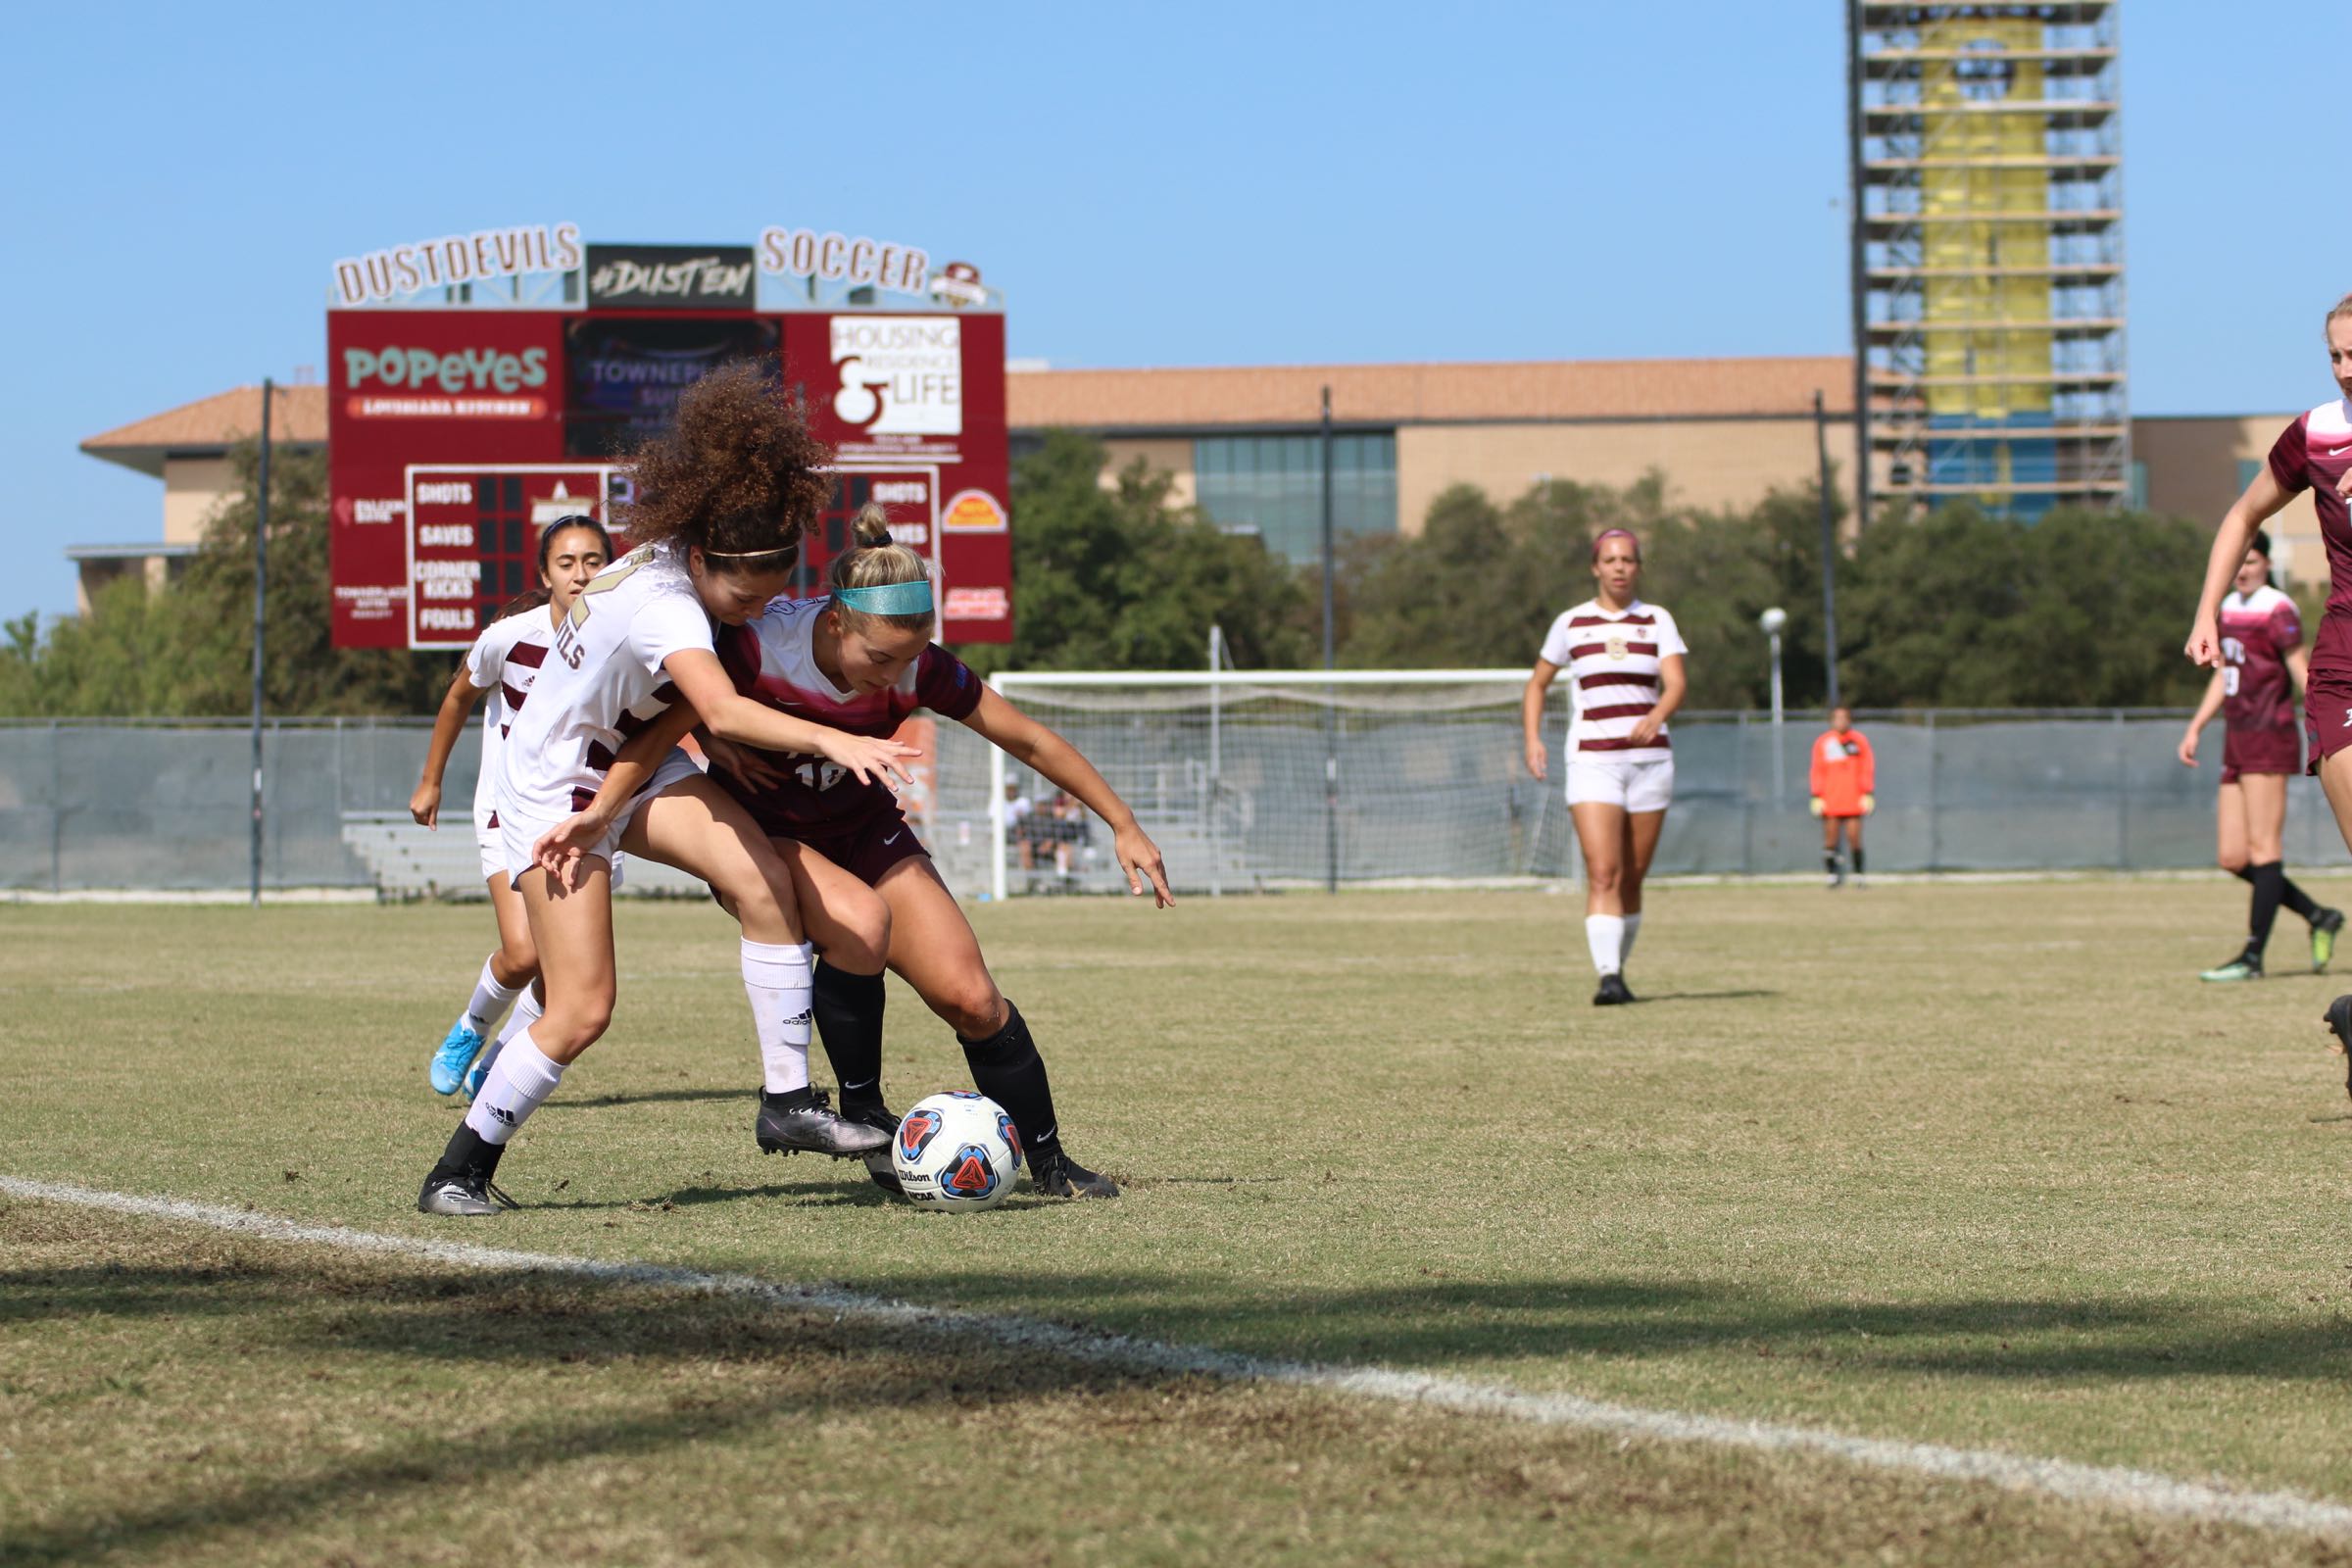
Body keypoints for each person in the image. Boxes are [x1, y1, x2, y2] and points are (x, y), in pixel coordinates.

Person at [415, 365, 917, 1216]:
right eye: (744, 596)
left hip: (623, 766)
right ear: (698, 562)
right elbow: (717, 703)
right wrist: (832, 735)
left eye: (768, 594)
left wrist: (617, 798)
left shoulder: (701, 574)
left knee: (759, 876)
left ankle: (786, 1103)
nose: (756, 612)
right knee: (581, 1009)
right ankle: (458, 1171)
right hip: (547, 790)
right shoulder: (668, 604)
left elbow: (671, 712)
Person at [569, 505, 1175, 1199]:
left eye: (912, 657)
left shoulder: (917, 671)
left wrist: (1122, 821)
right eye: (881, 658)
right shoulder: (756, 647)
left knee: (975, 1001)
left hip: (866, 831)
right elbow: (665, 722)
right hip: (771, 835)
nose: (897, 677)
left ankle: (1051, 1164)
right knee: (861, 924)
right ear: (834, 623)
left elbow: (1028, 739)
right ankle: (862, 1115)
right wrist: (640, 787)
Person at [2184, 291, 2352, 1094]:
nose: (2346, 369)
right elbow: (2240, 515)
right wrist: (2206, 612)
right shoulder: (2316, 434)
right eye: (2336, 355)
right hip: (2344, 668)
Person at [409, 514, 611, 1096]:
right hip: (506, 810)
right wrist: (432, 781)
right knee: (524, 954)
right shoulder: (510, 635)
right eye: (566, 563)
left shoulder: (623, 638)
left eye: (593, 561)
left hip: (580, 818)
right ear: (545, 573)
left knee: (561, 971)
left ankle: (498, 1063)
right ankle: (472, 1026)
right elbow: (456, 698)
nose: (579, 574)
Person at [1523, 527, 1688, 1005]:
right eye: (1611, 560)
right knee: (1604, 872)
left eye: (1628, 560)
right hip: (1594, 760)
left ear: (1639, 568)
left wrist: (1654, 716)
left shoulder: (1657, 620)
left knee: (1633, 878)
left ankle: (1620, 971)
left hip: (1650, 761)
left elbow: (1675, 683)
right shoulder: (1571, 623)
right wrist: (1533, 738)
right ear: (1596, 567)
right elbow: (1537, 684)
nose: (1619, 568)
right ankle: (1608, 977)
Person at [2178, 529, 2341, 981]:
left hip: (2270, 736)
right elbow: (2223, 672)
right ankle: (2318, 915)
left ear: (2267, 564)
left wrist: (2328, 717)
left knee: (2265, 849)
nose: (2243, 571)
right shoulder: (2227, 608)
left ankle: (2252, 957)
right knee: (2233, 857)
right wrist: (2196, 726)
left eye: (2251, 562)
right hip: (2237, 737)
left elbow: (2300, 670)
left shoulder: (2277, 608)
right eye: (2238, 563)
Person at [1809, 706, 1875, 889]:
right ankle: (1832, 876)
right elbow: (1817, 770)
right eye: (1837, 718)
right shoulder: (1823, 742)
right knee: (1831, 839)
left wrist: (1867, 792)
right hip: (1831, 798)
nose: (1841, 721)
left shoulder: (1859, 741)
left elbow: (1867, 767)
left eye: (1844, 718)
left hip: (1853, 798)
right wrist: (1817, 795)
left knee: (1854, 837)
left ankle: (1859, 876)